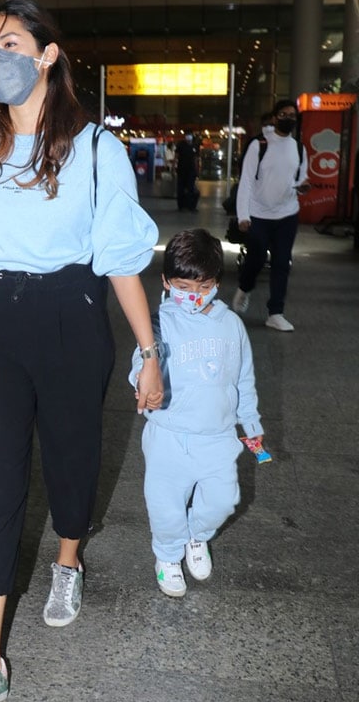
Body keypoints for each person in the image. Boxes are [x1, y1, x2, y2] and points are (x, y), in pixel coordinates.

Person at [0, 0, 164, 702]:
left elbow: (117, 258)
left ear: (48, 54)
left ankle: (69, 559)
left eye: (12, 42)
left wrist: (150, 351)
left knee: (73, 459)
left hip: (72, 315)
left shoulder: (97, 149)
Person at [129, 228, 263, 598]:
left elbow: (244, 378)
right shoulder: (159, 324)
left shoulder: (231, 325)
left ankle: (196, 536)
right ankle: (168, 555)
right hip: (169, 435)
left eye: (203, 287)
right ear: (165, 281)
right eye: (183, 286)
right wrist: (141, 380)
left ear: (217, 283)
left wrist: (250, 424)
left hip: (218, 436)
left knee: (223, 500)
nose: (193, 296)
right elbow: (141, 362)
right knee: (165, 504)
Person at [232, 99, 309, 331]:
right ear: (275, 118)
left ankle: (275, 312)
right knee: (255, 259)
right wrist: (243, 215)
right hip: (258, 214)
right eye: (284, 114)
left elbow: (299, 178)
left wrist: (301, 186)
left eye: (293, 115)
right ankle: (244, 288)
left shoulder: (299, 148)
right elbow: (245, 181)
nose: (289, 119)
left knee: (281, 262)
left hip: (287, 213)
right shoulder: (259, 144)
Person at [174, 131, 199, 212]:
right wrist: (174, 166)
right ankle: (181, 206)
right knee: (180, 188)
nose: (188, 137)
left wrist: (196, 169)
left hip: (191, 170)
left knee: (191, 188)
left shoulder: (195, 145)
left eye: (190, 136)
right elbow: (176, 156)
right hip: (181, 170)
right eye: (187, 136)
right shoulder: (181, 145)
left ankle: (191, 206)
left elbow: (195, 158)